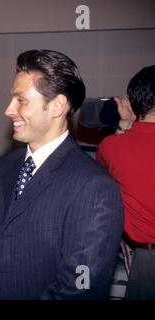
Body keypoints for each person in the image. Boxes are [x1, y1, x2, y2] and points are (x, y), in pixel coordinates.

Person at [0, 49, 124, 299]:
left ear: (57, 106)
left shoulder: (93, 186)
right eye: (11, 99)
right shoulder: (1, 168)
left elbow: (80, 286)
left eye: (21, 100)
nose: (8, 110)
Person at [96, 65, 155, 299]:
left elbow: (103, 182)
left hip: (146, 261)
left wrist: (124, 124)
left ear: (130, 103)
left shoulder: (112, 147)